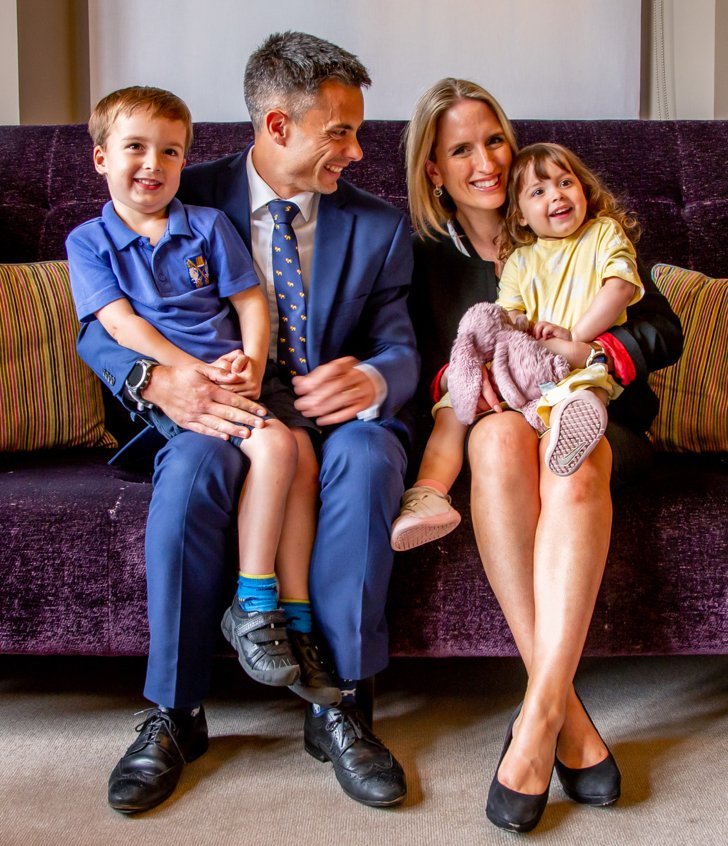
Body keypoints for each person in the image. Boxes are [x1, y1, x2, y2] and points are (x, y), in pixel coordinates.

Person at [76, 33, 418, 813]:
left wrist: (371, 376)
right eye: (341, 131)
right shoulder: (177, 192)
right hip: (218, 408)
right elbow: (99, 324)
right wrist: (156, 381)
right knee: (195, 469)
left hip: (335, 417)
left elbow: (401, 345)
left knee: (366, 460)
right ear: (276, 126)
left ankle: (340, 700)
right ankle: (175, 711)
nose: (359, 152)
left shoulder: (379, 226)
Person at [403, 78, 682, 833]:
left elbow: (660, 328)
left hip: (602, 417)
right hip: (508, 419)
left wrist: (590, 346)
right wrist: (475, 382)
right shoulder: (425, 255)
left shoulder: (571, 209)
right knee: (494, 438)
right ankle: (562, 715)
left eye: (494, 139)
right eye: (461, 149)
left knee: (575, 457)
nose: (488, 161)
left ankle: (533, 728)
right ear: (435, 170)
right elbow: (430, 357)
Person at [66, 86, 339, 706]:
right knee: (265, 452)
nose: (153, 164)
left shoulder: (208, 225)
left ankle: (288, 619)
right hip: (171, 395)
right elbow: (117, 325)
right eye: (135, 147)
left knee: (295, 453)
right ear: (101, 157)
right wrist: (189, 374)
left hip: (236, 377)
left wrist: (250, 359)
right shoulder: (88, 241)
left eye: (170, 152)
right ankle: (247, 609)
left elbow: (249, 300)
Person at [390, 140, 644, 551]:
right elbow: (504, 317)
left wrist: (578, 341)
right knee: (456, 399)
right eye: (539, 191)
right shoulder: (518, 260)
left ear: (585, 189)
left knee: (581, 392)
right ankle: (428, 494)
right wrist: (477, 361)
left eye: (566, 183)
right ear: (521, 215)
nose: (558, 195)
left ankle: (571, 432)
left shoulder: (603, 233)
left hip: (581, 367)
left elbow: (626, 291)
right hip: (528, 371)